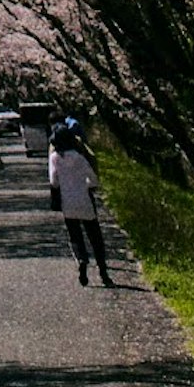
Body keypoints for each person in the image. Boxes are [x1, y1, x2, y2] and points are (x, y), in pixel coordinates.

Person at [48, 120, 112, 288]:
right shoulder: (80, 157)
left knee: (75, 236)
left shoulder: (54, 158)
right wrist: (87, 185)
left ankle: (82, 260)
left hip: (67, 203)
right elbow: (93, 179)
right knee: (95, 237)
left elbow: (53, 181)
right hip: (84, 200)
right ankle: (103, 272)